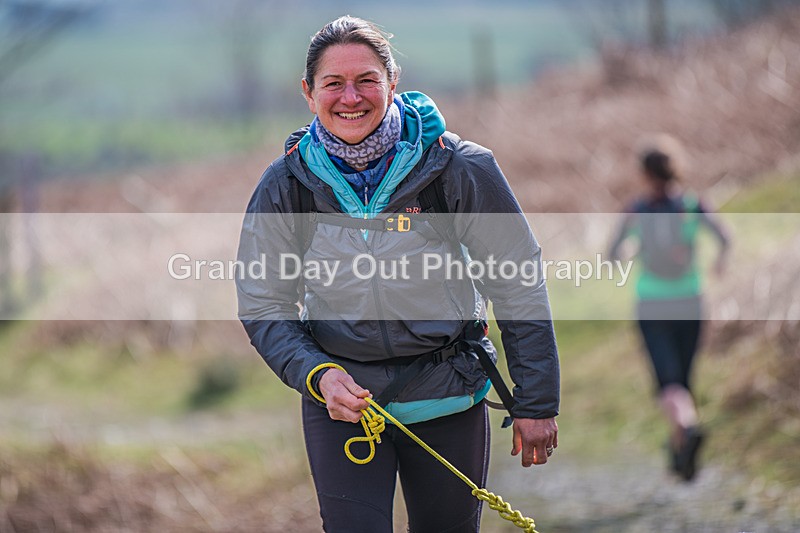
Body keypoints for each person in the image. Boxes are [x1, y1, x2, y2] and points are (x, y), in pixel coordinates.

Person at [236, 16, 559, 532]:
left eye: (366, 79)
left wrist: (537, 400)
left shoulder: (459, 168)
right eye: (333, 83)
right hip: (343, 405)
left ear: (392, 81)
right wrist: (318, 375)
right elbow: (263, 302)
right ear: (308, 92)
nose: (350, 97)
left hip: (449, 394)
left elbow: (516, 279)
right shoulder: (286, 184)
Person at [608, 134, 730, 482]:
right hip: (691, 300)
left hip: (654, 303)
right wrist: (719, 263)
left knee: (668, 384)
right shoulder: (693, 205)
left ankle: (687, 432)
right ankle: (681, 458)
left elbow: (612, 255)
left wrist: (629, 253)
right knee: (683, 381)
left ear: (644, 174)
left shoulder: (636, 210)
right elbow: (725, 238)